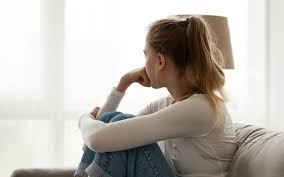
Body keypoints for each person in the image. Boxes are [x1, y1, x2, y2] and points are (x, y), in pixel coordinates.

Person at [74, 15, 237, 177]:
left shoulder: (201, 108)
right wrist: (123, 84)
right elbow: (102, 141)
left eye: (146, 55)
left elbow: (96, 139)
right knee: (115, 120)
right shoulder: (169, 104)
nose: (144, 63)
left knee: (120, 122)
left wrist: (85, 119)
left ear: (160, 61)